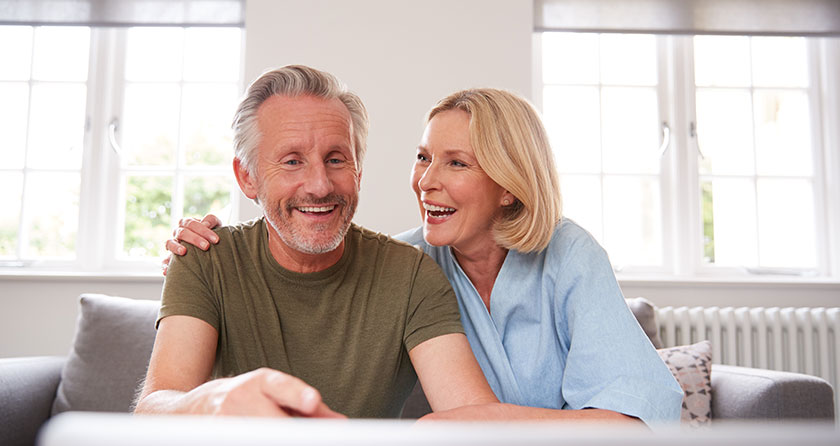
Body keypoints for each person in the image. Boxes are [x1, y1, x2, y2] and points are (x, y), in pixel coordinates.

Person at [168, 82, 684, 425]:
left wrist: (475, 424)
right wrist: (203, 265)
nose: (426, 181)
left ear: (509, 185)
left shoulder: (565, 255)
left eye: (457, 163)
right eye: (423, 157)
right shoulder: (412, 261)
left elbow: (634, 423)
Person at [135, 65, 500, 419]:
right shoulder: (204, 260)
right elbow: (153, 411)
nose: (320, 185)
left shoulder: (412, 274)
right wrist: (211, 402)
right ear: (247, 177)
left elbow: (472, 421)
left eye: (336, 160)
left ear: (359, 170)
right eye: (292, 161)